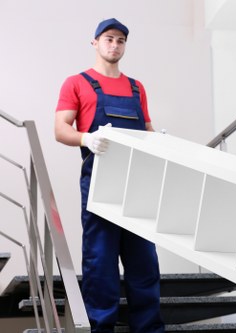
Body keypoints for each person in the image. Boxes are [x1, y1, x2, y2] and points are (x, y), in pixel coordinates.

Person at [54, 18, 164, 333]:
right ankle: (100, 329)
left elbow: (146, 129)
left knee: (144, 265)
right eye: (108, 39)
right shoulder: (77, 83)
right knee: (100, 265)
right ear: (95, 43)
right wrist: (86, 138)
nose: (114, 45)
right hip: (100, 186)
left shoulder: (136, 87)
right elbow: (60, 129)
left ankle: (149, 329)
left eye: (120, 40)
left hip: (138, 186)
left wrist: (160, 141)